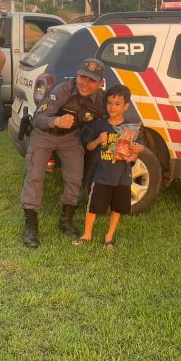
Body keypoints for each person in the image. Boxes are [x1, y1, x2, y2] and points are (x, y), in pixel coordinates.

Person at [20, 58, 107, 248]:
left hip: (70, 138)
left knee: (75, 177)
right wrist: (56, 121)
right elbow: (38, 119)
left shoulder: (101, 100)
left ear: (101, 84)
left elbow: (114, 116)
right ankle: (31, 227)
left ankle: (66, 221)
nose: (85, 83)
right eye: (83, 77)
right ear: (77, 75)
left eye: (92, 80)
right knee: (35, 175)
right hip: (44, 134)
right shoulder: (63, 89)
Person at [74, 84, 144, 250]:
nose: (113, 107)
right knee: (94, 206)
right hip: (102, 175)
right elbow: (89, 147)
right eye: (109, 103)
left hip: (122, 176)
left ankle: (109, 236)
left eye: (117, 104)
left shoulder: (131, 128)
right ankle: (87, 234)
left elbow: (138, 150)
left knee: (117, 207)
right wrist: (98, 140)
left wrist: (136, 151)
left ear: (126, 106)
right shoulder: (100, 125)